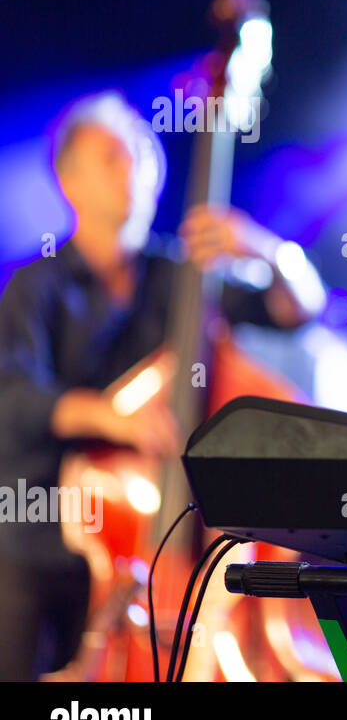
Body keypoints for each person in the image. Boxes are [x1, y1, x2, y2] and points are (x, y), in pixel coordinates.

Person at [0, 91, 325, 680]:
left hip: (152, 544)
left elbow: (296, 309)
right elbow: (13, 398)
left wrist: (268, 251)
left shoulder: (181, 277)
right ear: (69, 181)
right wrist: (114, 419)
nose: (136, 171)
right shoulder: (35, 287)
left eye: (143, 156)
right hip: (37, 540)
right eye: (113, 158)